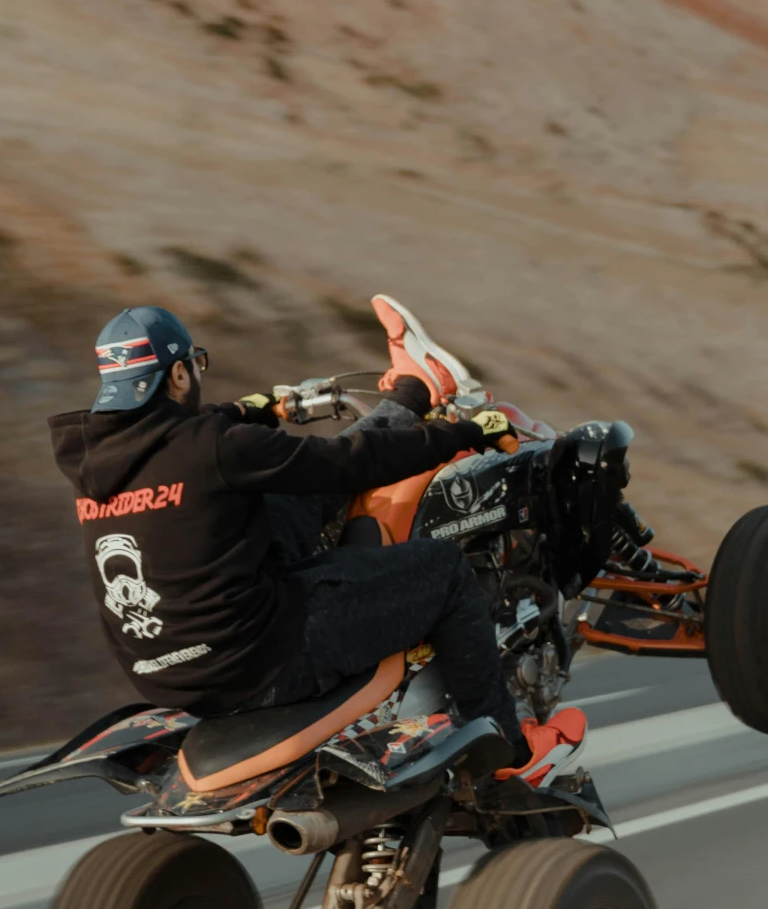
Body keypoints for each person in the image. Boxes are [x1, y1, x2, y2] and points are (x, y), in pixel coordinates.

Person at [49, 302, 580, 779]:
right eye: (196, 365)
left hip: (172, 681)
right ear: (180, 372)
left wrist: (246, 409)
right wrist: (467, 434)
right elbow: (349, 462)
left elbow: (174, 437)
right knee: (443, 570)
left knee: (293, 500)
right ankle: (510, 753)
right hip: (260, 663)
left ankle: (414, 389)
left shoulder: (93, 464)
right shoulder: (215, 450)